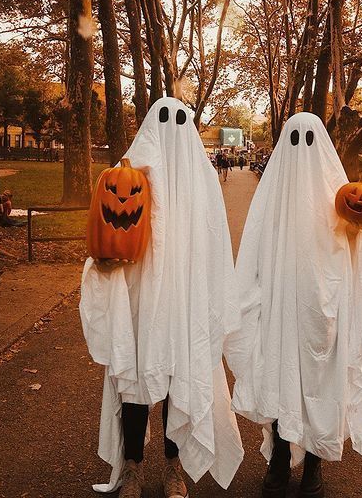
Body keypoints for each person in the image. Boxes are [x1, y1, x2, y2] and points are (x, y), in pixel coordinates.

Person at [225, 112, 362, 498]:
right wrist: (249, 299)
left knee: (322, 381)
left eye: (308, 139)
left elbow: (359, 256)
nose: (301, 148)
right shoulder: (271, 198)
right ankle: (280, 457)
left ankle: (316, 460)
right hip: (280, 310)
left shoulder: (340, 194)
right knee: (281, 378)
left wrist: (356, 233)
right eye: (294, 138)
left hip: (326, 311)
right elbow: (253, 251)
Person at [80, 97, 244, 498]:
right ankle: (132, 465)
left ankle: (174, 466)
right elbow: (108, 228)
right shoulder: (128, 173)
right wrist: (104, 264)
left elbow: (214, 245)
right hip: (138, 297)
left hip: (184, 301)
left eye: (178, 121)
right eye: (163, 120)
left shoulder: (203, 182)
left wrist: (208, 298)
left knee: (178, 380)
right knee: (135, 383)